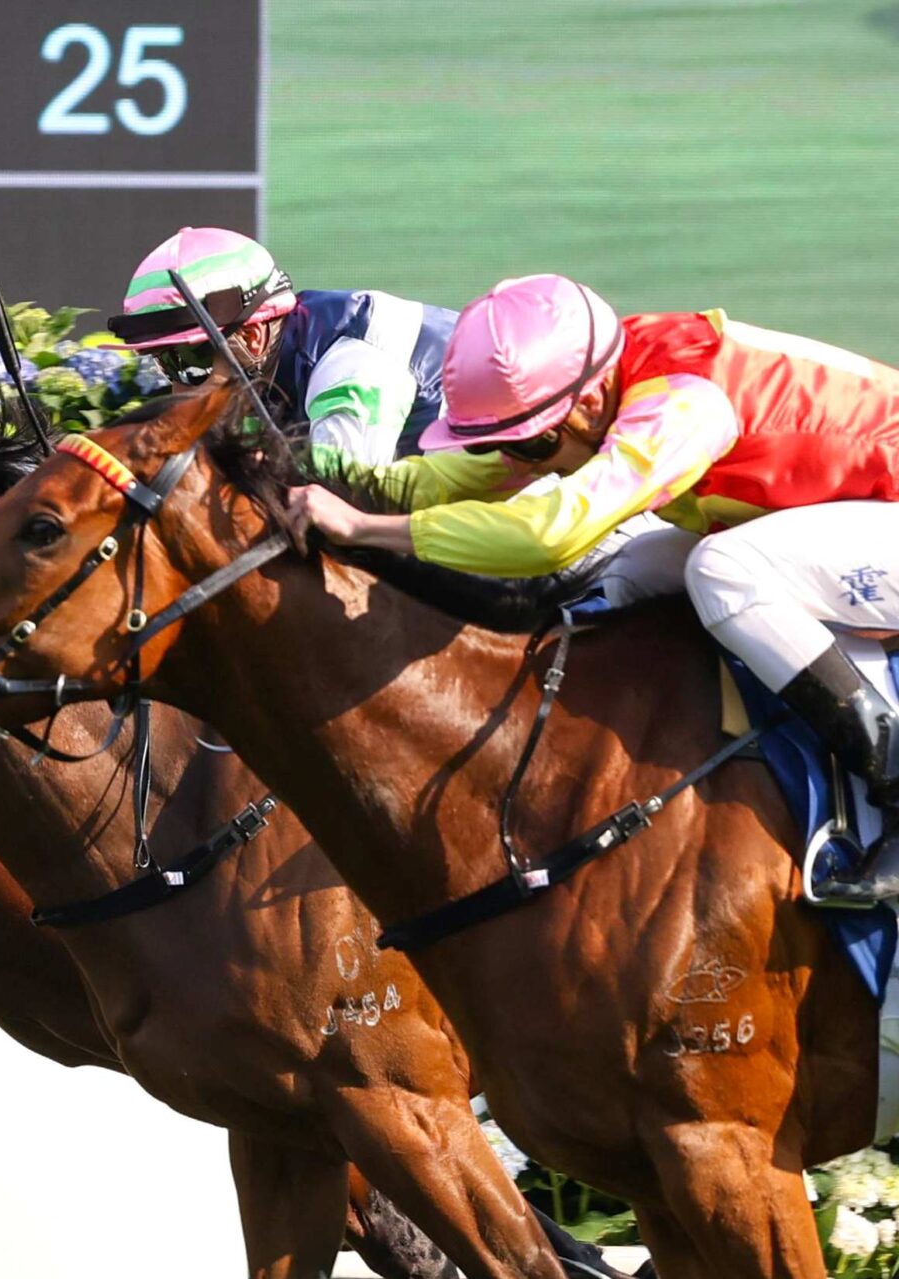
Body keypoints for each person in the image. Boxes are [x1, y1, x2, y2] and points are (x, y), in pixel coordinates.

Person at [289, 274, 899, 903]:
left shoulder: (682, 406)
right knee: (634, 571)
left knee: (721, 568)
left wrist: (366, 528)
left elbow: (554, 534)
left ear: (582, 405)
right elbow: (446, 478)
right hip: (849, 514)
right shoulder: (598, 386)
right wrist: (306, 475)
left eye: (531, 443)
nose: (522, 463)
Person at [110, 227, 458, 471]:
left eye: (190, 364)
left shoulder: (350, 372)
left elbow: (340, 510)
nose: (179, 390)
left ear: (252, 338)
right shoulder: (269, 366)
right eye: (165, 365)